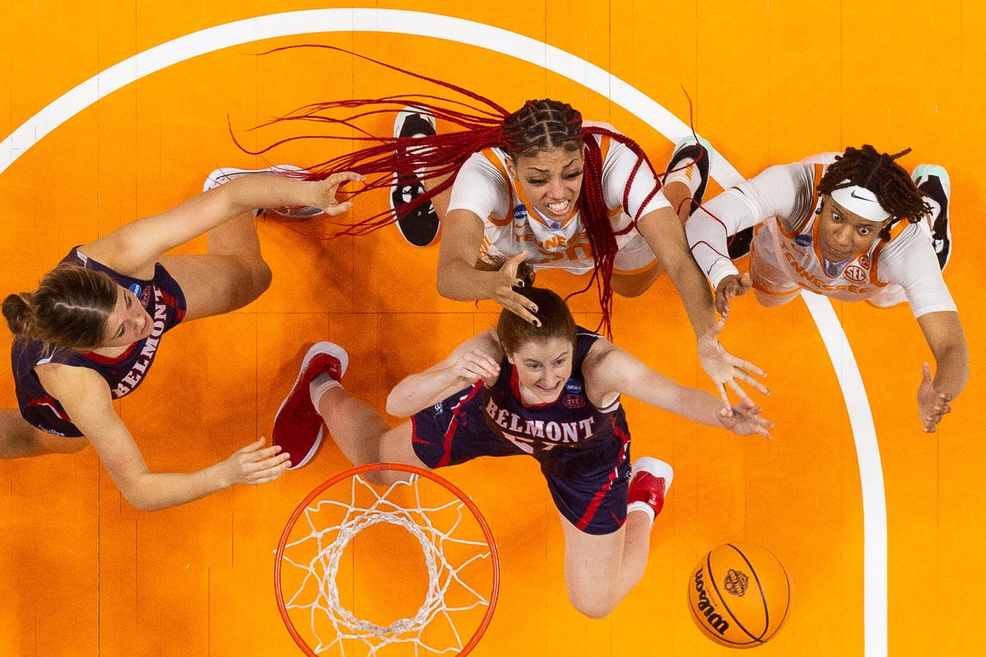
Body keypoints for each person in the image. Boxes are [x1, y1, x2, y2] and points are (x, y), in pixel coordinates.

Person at [259, 74, 768, 407]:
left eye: (569, 173)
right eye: (539, 178)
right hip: (516, 250)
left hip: (603, 237)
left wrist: (705, 336)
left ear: (584, 156)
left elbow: (679, 260)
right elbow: (449, 273)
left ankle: (680, 178)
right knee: (461, 220)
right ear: (514, 164)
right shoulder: (488, 171)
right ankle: (420, 158)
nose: (557, 192)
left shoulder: (615, 164)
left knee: (648, 267)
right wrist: (491, 285)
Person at [270, 281, 772, 619]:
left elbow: (677, 395)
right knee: (379, 466)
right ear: (509, 354)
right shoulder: (488, 352)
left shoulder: (602, 368)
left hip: (584, 455)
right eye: (533, 366)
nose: (550, 377)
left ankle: (642, 498)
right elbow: (398, 401)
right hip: (490, 424)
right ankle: (317, 385)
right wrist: (452, 372)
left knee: (594, 602)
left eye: (558, 360)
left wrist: (724, 417)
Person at [1, 166, 362, 510]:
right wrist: (223, 475)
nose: (140, 321)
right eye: (122, 331)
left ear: (109, 281)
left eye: (127, 301)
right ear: (89, 345)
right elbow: (139, 489)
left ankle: (234, 179)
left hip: (154, 290)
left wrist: (308, 191)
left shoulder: (125, 254)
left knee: (255, 278)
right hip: (64, 393)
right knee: (56, 442)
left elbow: (229, 199)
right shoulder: (78, 385)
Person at [685, 145, 968, 432]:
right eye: (836, 217)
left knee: (890, 299)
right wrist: (721, 270)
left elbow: (951, 346)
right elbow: (704, 222)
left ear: (885, 225)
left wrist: (941, 392)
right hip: (785, 255)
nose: (842, 239)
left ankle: (932, 207)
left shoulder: (905, 248)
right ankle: (751, 222)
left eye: (863, 230)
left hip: (871, 280)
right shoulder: (797, 185)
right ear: (824, 199)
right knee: (768, 300)